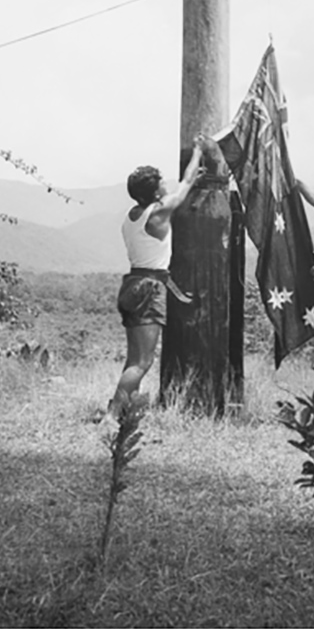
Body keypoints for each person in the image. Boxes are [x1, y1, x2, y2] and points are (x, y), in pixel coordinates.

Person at [100, 135, 207, 424]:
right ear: (153, 191)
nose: (165, 184)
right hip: (149, 288)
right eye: (160, 181)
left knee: (133, 358)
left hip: (131, 284)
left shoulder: (131, 216)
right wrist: (197, 152)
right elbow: (184, 186)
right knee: (143, 361)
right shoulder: (158, 213)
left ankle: (123, 409)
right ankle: (111, 415)